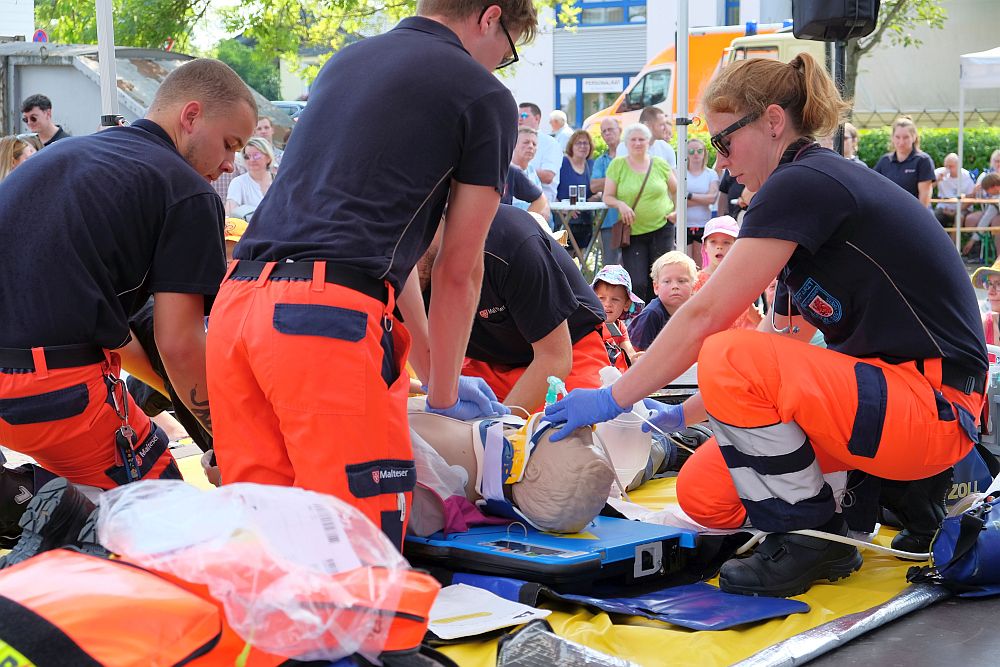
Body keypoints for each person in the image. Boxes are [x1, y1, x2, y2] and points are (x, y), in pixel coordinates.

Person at [543, 52, 986, 598]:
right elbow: (774, 373)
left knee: (725, 352)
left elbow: (707, 318)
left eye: (723, 142)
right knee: (705, 491)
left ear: (773, 122)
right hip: (900, 402)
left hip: (932, 406)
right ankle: (884, 494)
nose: (722, 162)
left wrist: (616, 400)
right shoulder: (811, 195)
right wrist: (676, 415)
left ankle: (813, 536)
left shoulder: (804, 180)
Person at [206, 1, 538, 551]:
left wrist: (435, 372)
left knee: (267, 542)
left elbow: (381, 246)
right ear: (489, 18)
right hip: (323, 323)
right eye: (505, 54)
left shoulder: (347, 61)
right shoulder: (484, 96)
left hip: (239, 304)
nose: (498, 68)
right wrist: (446, 388)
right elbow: (460, 268)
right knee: (357, 546)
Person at [0, 59, 257, 560]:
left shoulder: (69, 154)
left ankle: (32, 505)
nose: (230, 164)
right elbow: (179, 342)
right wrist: (233, 442)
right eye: (230, 144)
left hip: (27, 383)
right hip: (54, 391)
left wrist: (174, 401)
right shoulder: (187, 194)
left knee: (98, 506)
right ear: (191, 116)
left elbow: (120, 336)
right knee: (178, 530)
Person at [415, 206, 606, 416]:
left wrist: (501, 427)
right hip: (488, 363)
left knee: (572, 428)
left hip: (570, 348)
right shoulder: (395, 264)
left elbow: (555, 358)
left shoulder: (511, 243)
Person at [603, 122, 677, 302]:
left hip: (662, 228)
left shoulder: (659, 164)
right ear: (626, 143)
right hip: (633, 232)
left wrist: (676, 212)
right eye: (633, 139)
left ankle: (660, 319)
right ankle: (639, 320)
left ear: (649, 142)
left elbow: (677, 190)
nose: (637, 143)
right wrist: (621, 205)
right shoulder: (618, 165)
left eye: (641, 139)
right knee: (637, 282)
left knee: (660, 279)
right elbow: (607, 197)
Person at [693, 215, 762, 330]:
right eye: (713, 242)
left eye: (726, 242)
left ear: (737, 246)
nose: (719, 247)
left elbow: (754, 315)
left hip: (735, 344)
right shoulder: (695, 281)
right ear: (704, 246)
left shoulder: (742, 282)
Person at [627, 251, 696, 351]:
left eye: (681, 281)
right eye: (667, 281)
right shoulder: (652, 314)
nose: (675, 286)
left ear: (693, 286)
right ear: (656, 287)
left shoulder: (692, 312)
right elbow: (636, 354)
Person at [591, 264, 643, 373]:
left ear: (626, 304)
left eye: (615, 299)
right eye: (601, 298)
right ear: (592, 298)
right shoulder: (589, 324)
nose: (607, 304)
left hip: (613, 379)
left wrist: (636, 359)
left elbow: (629, 351)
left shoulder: (620, 328)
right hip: (591, 375)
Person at [874, 116, 935, 208]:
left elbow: (925, 197)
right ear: (892, 138)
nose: (901, 142)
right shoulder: (885, 161)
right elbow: (875, 189)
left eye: (906, 137)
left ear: (914, 137)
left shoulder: (923, 160)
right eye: (897, 137)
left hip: (914, 214)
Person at [556, 129, 596, 249]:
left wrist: (595, 198)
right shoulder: (562, 163)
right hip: (564, 219)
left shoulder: (591, 165)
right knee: (564, 258)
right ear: (571, 146)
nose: (583, 146)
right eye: (579, 143)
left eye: (586, 143)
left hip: (586, 220)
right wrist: (563, 209)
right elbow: (551, 190)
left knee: (581, 256)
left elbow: (597, 190)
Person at [591, 117, 622, 265]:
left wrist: (607, 181)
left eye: (611, 129)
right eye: (604, 131)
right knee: (611, 266)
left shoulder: (631, 157)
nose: (607, 133)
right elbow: (594, 186)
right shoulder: (600, 161)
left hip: (635, 220)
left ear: (620, 131)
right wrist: (618, 178)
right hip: (609, 220)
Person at [683, 137, 720, 265]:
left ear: (704, 152)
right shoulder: (680, 173)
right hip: (683, 224)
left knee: (702, 264)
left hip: (703, 224)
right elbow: (677, 200)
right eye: (691, 151)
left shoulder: (711, 174)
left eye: (699, 151)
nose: (696, 154)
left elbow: (712, 198)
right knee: (685, 263)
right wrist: (702, 199)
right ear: (686, 154)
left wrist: (689, 196)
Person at [519, 102, 561, 206]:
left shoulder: (550, 143)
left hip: (542, 206)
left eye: (524, 115)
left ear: (537, 118)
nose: (519, 119)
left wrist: (518, 171)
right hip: (515, 204)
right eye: (518, 116)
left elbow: (548, 176)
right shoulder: (513, 141)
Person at [504, 127, 550, 220]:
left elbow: (541, 197)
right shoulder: (508, 171)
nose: (531, 146)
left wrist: (546, 208)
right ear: (514, 145)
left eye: (534, 144)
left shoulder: (531, 170)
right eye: (526, 142)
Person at [225, 137, 274, 215]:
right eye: (247, 157)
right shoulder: (238, 182)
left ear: (268, 158)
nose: (251, 160)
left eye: (256, 155)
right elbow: (230, 214)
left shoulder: (279, 181)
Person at [933, 153, 975, 227]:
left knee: (959, 218)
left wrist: (957, 211)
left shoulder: (967, 176)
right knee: (933, 218)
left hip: (962, 207)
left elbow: (971, 197)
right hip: (943, 206)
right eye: (946, 166)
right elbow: (927, 188)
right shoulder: (938, 173)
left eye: (951, 166)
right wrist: (937, 181)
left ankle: (953, 239)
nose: (948, 169)